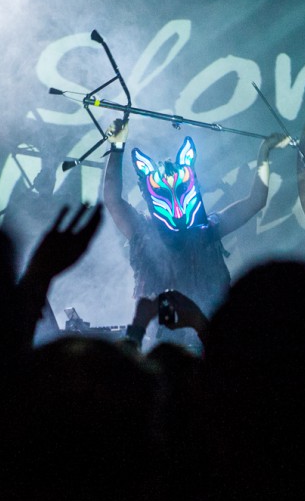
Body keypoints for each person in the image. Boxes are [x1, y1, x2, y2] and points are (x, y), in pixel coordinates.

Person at [101, 119, 289, 349]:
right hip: (160, 345)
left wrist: (264, 153)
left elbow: (255, 201)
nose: (177, 208)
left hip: (209, 339)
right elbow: (112, 199)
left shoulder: (207, 230)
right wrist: (117, 147)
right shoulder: (143, 230)